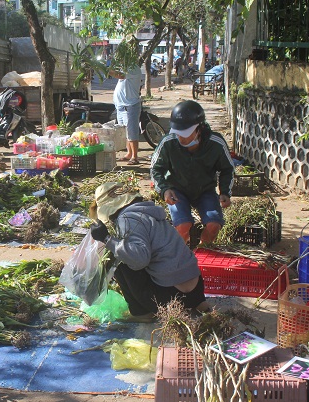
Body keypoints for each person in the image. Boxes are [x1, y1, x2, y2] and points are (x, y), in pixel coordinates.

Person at [89, 182, 211, 321]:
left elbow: (139, 259)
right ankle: (199, 305)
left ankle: (141, 313)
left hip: (172, 298)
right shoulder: (150, 212)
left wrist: (107, 239)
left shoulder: (127, 219)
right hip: (196, 291)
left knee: (119, 259)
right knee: (126, 251)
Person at [150, 100, 235, 246]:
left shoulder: (216, 143)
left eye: (186, 134)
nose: (181, 138)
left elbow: (228, 169)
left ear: (199, 129)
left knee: (214, 224)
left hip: (205, 191)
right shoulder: (168, 143)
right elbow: (155, 169)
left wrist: (225, 192)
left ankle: (202, 252)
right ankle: (178, 256)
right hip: (177, 190)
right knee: (183, 225)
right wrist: (165, 190)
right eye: (178, 133)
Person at [109, 63, 142, 165]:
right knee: (125, 131)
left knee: (131, 131)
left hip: (130, 106)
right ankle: (129, 153)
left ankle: (134, 157)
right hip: (121, 106)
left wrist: (106, 70)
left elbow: (120, 75)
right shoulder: (126, 68)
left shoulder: (134, 68)